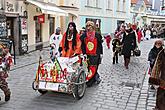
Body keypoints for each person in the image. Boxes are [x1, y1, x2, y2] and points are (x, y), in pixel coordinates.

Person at [81, 21, 103, 87]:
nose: (88, 28)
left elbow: (100, 45)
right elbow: (82, 45)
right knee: (88, 68)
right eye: (87, 26)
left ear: (93, 27)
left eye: (90, 26)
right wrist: (84, 53)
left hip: (95, 54)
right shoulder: (84, 35)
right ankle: (92, 79)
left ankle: (91, 81)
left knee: (93, 67)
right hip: (87, 55)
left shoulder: (97, 35)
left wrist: (101, 53)